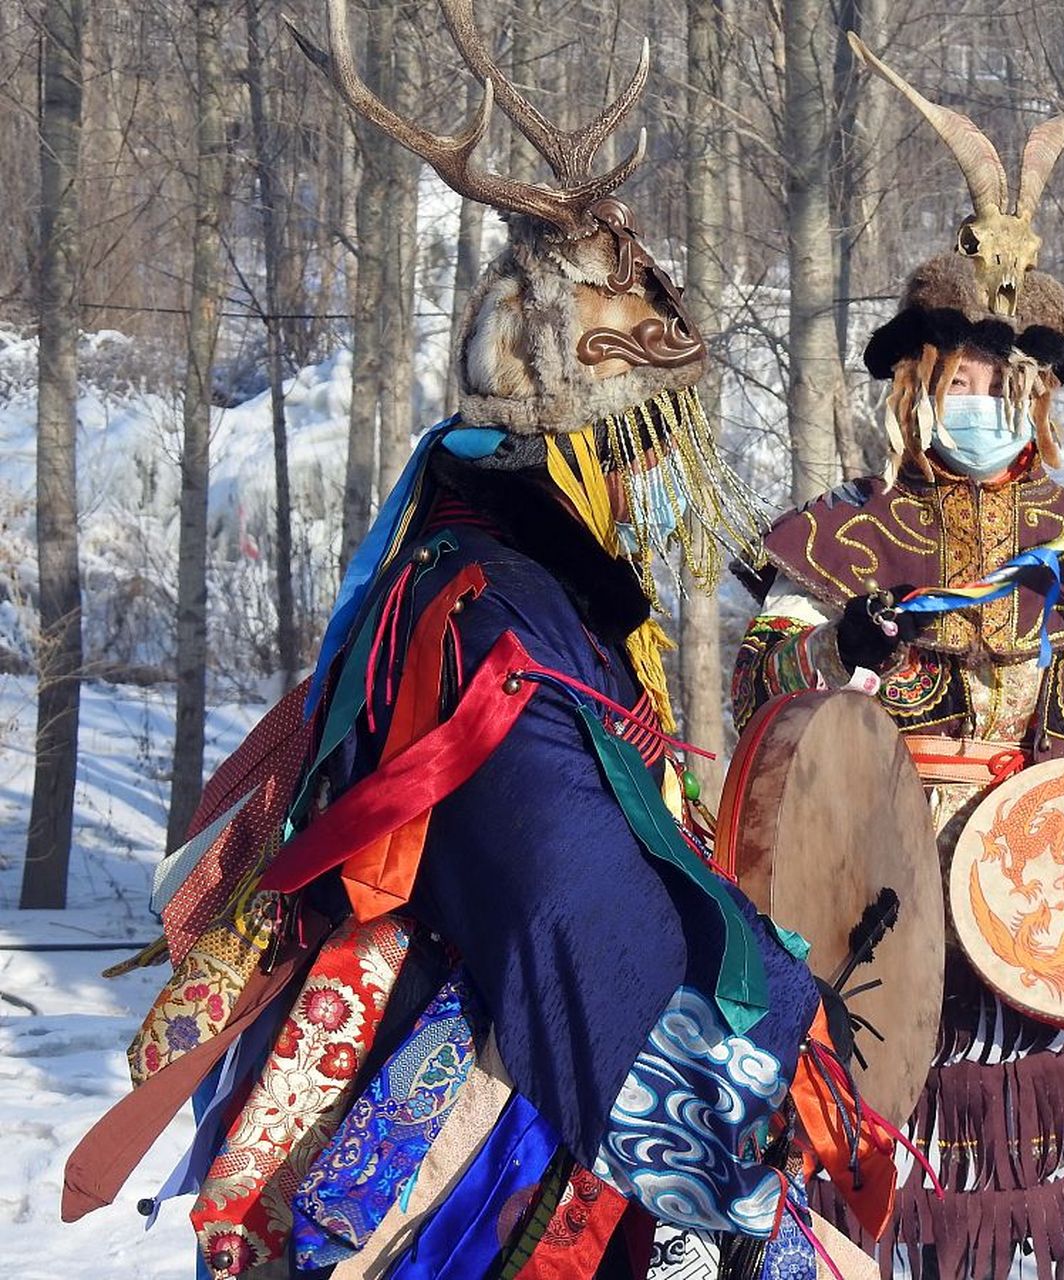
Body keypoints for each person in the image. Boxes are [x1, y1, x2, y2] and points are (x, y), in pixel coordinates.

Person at [61, 9, 884, 1279]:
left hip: (538, 1046)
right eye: (643, 443)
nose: (655, 478)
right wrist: (761, 1000)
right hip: (519, 1098)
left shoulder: (524, 576)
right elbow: (562, 892)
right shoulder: (486, 602)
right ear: (582, 437)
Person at [732, 37, 1064, 1280]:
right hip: (875, 891)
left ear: (1038, 400)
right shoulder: (839, 534)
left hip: (1042, 899)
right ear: (916, 385)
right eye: (963, 380)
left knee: (1037, 1163)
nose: (986, 406)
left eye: (1008, 388)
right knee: (884, 1137)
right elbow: (760, 703)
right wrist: (839, 652)